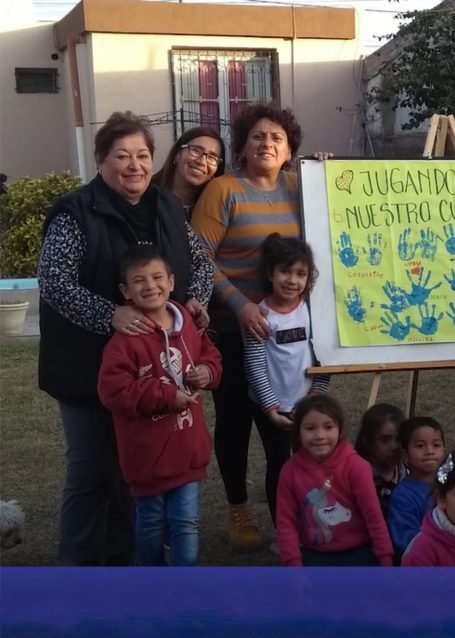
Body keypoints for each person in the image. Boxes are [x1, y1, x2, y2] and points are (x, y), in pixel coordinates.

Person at [38, 111, 213, 565]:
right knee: (91, 472)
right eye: (121, 155)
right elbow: (54, 281)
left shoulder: (167, 207)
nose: (134, 165)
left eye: (142, 155)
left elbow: (200, 264)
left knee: (135, 470)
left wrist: (195, 299)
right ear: (100, 161)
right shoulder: (77, 211)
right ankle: (76, 570)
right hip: (85, 368)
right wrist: (109, 315)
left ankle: (129, 563)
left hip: (154, 372)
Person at [191, 103, 306, 551]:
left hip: (287, 330)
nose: (267, 144)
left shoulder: (301, 189)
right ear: (241, 146)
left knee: (281, 422)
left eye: (277, 138)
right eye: (258, 136)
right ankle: (238, 508)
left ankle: (285, 516)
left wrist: (330, 175)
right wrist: (239, 305)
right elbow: (199, 257)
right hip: (230, 327)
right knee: (237, 420)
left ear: (289, 150)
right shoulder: (223, 190)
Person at [97, 245, 221, 566]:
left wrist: (208, 370)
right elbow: (112, 390)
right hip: (146, 458)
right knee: (151, 522)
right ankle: (152, 589)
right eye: (138, 281)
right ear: (125, 291)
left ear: (171, 281)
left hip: (188, 451)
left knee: (186, 523)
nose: (149, 286)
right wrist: (166, 396)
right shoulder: (125, 340)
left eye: (156, 277)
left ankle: (185, 592)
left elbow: (209, 354)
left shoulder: (188, 323)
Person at [274, 395, 393, 567]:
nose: (319, 435)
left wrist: (386, 561)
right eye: (310, 428)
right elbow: (285, 523)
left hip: (359, 550)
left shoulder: (357, 467)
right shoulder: (289, 471)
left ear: (341, 429)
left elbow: (373, 516)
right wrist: (294, 568)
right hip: (315, 553)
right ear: (298, 431)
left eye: (328, 427)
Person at [243, 234, 329, 448]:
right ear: (270, 273)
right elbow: (254, 367)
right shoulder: (259, 316)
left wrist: (315, 396)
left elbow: (325, 357)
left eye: (301, 274)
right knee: (279, 463)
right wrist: (271, 409)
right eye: (285, 271)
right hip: (271, 407)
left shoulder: (313, 312)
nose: (292, 280)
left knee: (309, 460)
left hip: (308, 403)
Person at [388, 417, 446, 556]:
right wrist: (442, 548)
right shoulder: (402, 495)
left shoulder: (452, 485)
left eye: (436, 445)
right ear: (405, 455)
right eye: (420, 446)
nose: (430, 451)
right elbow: (404, 537)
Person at [152, 126, 225, 221]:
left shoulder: (216, 208)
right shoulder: (147, 197)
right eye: (195, 150)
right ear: (177, 154)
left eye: (212, 157)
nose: (202, 161)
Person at [354, 403, 407, 521]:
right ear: (368, 442)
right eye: (385, 440)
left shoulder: (409, 472)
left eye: (399, 439)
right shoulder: (357, 477)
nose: (395, 446)